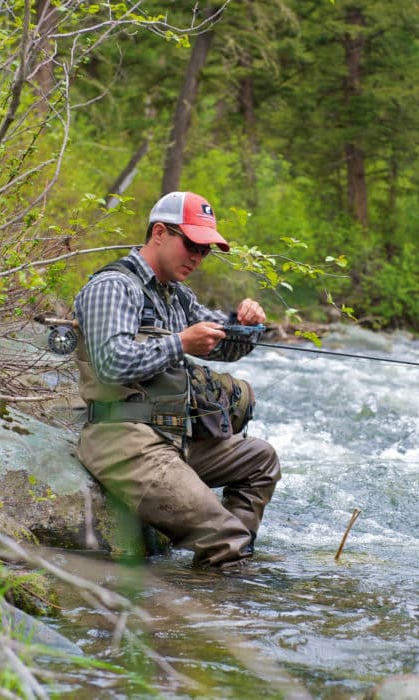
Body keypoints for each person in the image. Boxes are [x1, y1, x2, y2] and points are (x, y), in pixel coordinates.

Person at [73, 191, 280, 570]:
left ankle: (231, 562)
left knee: (261, 460)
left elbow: (223, 346)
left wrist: (247, 323)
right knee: (226, 538)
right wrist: (182, 342)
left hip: (172, 438)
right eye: (192, 245)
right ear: (159, 233)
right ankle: (216, 605)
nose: (198, 258)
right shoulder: (113, 287)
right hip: (123, 441)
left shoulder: (176, 296)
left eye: (206, 251)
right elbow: (111, 363)